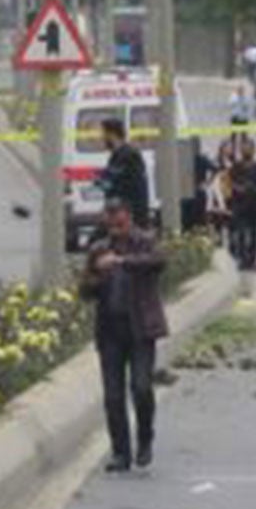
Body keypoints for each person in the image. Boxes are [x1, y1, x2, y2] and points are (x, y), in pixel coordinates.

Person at [79, 196, 169, 474]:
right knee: (113, 396)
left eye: (120, 220)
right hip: (110, 332)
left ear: (129, 218)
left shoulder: (145, 241)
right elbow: (84, 290)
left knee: (141, 388)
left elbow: (157, 260)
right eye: (111, 221)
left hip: (141, 329)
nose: (116, 227)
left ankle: (145, 439)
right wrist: (97, 273)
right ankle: (121, 452)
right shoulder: (99, 249)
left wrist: (121, 261)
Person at [99, 117, 151, 226]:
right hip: (117, 215)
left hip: (129, 219)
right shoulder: (115, 156)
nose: (101, 138)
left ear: (112, 134)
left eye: (103, 134)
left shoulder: (130, 155)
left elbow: (134, 188)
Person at [228, 134, 256, 272]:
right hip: (239, 204)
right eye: (244, 148)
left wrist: (255, 190)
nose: (247, 151)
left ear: (253, 150)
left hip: (254, 204)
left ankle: (252, 259)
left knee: (254, 233)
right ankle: (242, 259)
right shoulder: (236, 166)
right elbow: (231, 183)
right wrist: (239, 188)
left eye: (249, 148)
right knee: (241, 233)